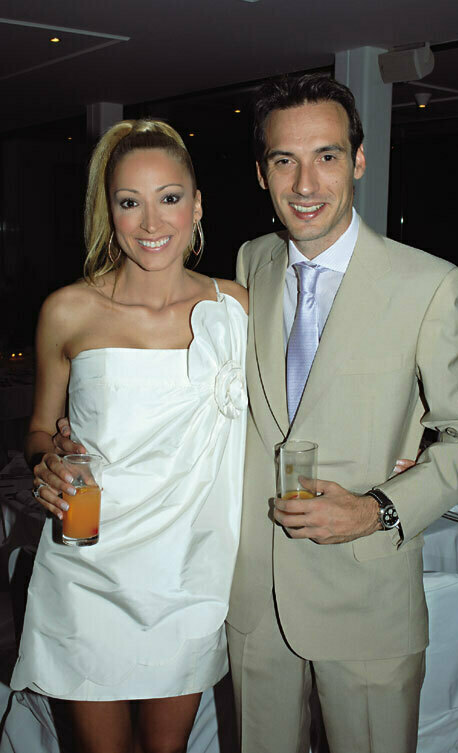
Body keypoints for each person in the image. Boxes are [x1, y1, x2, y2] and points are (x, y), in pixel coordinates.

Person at [224, 73, 458, 753]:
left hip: (367, 594)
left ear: (359, 161)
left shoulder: (428, 284)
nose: (305, 183)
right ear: (261, 173)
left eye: (327, 156)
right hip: (257, 599)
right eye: (284, 160)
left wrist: (380, 508)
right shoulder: (253, 261)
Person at [11, 119, 248, 753]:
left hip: (191, 572)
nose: (151, 222)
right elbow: (40, 429)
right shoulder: (68, 310)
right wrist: (45, 462)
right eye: (129, 202)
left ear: (197, 206)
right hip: (89, 565)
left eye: (169, 198)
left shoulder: (239, 309)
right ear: (109, 212)